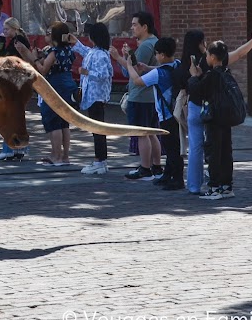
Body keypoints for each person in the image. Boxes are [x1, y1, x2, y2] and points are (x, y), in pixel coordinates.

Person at [176, 27, 252, 194]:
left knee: (201, 148)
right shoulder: (218, 64)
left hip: (200, 108)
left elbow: (195, 88)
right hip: (220, 111)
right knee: (223, 149)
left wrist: (195, 76)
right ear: (202, 44)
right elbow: (238, 53)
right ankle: (224, 184)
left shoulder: (191, 63)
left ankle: (198, 185)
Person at [125, 37, 185, 190]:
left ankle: (177, 179)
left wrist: (129, 66)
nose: (156, 56)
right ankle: (167, 174)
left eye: (157, 54)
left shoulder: (158, 73)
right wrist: (146, 67)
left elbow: (138, 81)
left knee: (172, 149)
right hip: (177, 113)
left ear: (162, 55)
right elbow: (160, 70)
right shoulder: (177, 64)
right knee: (173, 145)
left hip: (165, 114)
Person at [109, 11, 161, 180]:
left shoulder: (147, 45)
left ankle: (146, 168)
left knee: (142, 133)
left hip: (141, 95)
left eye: (134, 25)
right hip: (150, 96)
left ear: (144, 27)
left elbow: (135, 70)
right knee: (151, 132)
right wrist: (126, 56)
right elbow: (132, 67)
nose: (131, 28)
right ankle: (156, 167)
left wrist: (118, 57)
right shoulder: (153, 43)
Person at [188, 41, 238, 199]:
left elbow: (198, 91)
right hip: (226, 117)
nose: (207, 57)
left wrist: (194, 77)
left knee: (213, 152)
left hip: (214, 118)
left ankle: (214, 188)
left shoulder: (212, 75)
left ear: (213, 57)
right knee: (226, 152)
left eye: (208, 54)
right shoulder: (226, 72)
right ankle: (226, 186)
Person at [24, 22, 77, 166]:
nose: (45, 35)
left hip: (55, 87)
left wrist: (34, 58)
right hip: (68, 85)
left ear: (54, 36)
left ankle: (56, 156)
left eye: (48, 33)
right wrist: (43, 55)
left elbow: (43, 70)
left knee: (53, 122)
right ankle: (65, 156)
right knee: (64, 122)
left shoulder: (54, 52)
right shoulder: (67, 49)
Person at [68, 23, 113, 174]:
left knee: (97, 129)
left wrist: (86, 72)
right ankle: (101, 160)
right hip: (93, 96)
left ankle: (99, 160)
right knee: (97, 129)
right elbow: (86, 51)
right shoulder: (97, 52)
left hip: (97, 97)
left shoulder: (100, 54)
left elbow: (104, 75)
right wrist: (76, 43)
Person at [0, 17, 31, 161]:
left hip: (14, 82)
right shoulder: (18, 40)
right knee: (18, 116)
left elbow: (2, 57)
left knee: (8, 115)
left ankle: (8, 149)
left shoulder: (17, 42)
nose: (4, 31)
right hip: (19, 81)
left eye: (6, 29)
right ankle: (20, 149)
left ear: (14, 29)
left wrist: (0, 41)